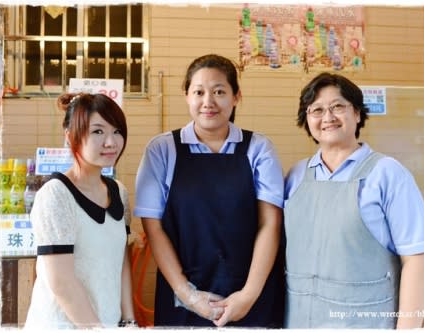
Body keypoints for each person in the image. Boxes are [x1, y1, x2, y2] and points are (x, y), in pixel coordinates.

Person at [134, 54, 284, 328]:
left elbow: (270, 223)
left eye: (219, 92)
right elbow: (154, 229)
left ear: (236, 96)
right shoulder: (162, 149)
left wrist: (248, 295)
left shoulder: (259, 149)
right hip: (182, 297)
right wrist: (188, 295)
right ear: (186, 95)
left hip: (250, 296)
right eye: (199, 92)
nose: (208, 102)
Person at [283, 72, 424, 329]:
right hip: (300, 320)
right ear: (307, 119)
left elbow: (418, 259)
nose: (328, 117)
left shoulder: (387, 173)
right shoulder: (296, 175)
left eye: (337, 107)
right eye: (317, 110)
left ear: (357, 113)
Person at [24, 93, 137, 329]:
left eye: (117, 131)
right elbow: (62, 282)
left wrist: (128, 320)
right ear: (70, 136)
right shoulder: (56, 194)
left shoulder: (120, 192)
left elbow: (121, 261)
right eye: (98, 131)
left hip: (108, 322)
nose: (111, 142)